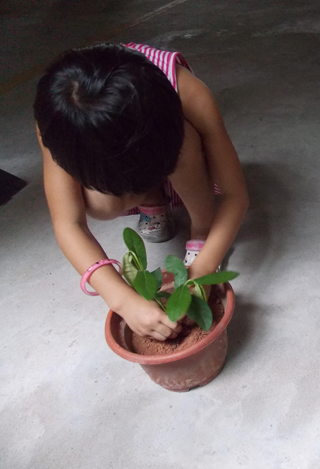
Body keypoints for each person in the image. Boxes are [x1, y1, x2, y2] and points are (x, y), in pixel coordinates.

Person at [34, 43, 249, 341]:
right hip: (132, 160)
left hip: (182, 161)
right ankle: (151, 199)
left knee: (185, 143)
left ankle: (201, 226)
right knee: (96, 202)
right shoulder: (59, 121)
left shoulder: (186, 92)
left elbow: (234, 194)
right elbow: (68, 223)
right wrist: (122, 299)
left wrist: (202, 269)